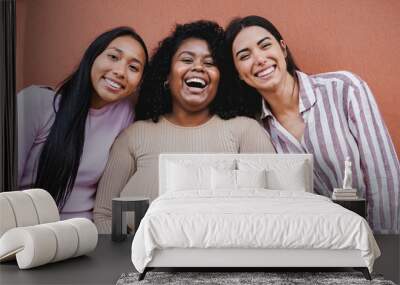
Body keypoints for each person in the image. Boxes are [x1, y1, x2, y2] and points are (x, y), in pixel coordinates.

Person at [94, 20, 275, 234]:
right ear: (167, 76)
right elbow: (104, 216)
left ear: (221, 79)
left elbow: (274, 209)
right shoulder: (133, 136)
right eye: (187, 59)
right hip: (137, 264)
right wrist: (138, 254)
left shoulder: (246, 131)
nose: (198, 67)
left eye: (210, 63)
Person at [224, 15, 400, 234]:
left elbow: (384, 175)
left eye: (265, 45)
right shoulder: (257, 131)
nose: (259, 59)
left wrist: (381, 246)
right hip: (317, 248)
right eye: (244, 56)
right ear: (239, 74)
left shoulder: (344, 89)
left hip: (375, 240)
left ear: (283, 49)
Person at [18, 27, 148, 220]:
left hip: (85, 236)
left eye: (133, 68)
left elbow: (120, 192)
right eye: (113, 57)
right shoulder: (35, 102)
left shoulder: (124, 115)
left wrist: (124, 240)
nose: (120, 72)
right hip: (25, 234)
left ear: (138, 83)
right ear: (92, 57)